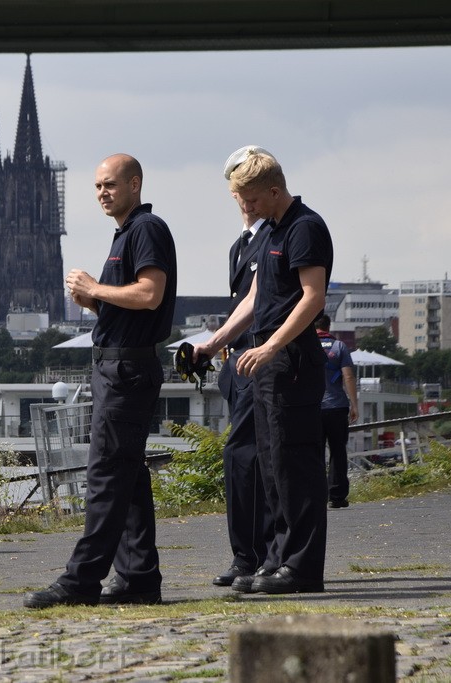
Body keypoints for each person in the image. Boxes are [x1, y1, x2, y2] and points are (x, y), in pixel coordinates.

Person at [24, 153, 177, 608]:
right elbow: (126, 308)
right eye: (96, 187)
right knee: (127, 476)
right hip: (117, 363)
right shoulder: (124, 234)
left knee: (106, 474)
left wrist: (94, 289)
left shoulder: (147, 229)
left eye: (110, 184)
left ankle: (81, 579)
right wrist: (93, 303)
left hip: (126, 368)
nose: (102, 193)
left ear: (135, 183)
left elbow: (150, 295)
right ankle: (138, 576)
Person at [194, 150, 332, 594]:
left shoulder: (304, 227)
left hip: (290, 358)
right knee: (271, 468)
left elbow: (312, 298)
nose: (246, 209)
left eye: (251, 200)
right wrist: (215, 342)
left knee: (295, 466)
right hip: (267, 361)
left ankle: (302, 567)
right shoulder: (271, 229)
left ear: (274, 191)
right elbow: (255, 298)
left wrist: (272, 345)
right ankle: (275, 560)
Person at [211, 146, 275, 588]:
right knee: (243, 459)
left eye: (249, 193)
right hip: (239, 362)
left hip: (259, 357)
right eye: (237, 193)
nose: (243, 202)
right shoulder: (241, 245)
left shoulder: (274, 237)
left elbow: (255, 304)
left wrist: (218, 340)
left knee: (247, 456)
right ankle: (248, 555)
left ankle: (252, 556)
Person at [315, 314, 358, 509]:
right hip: (337, 407)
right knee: (338, 451)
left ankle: (316, 496)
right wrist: (354, 404)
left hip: (312, 408)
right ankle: (337, 496)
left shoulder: (305, 346)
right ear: (328, 326)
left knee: (313, 453)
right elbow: (348, 377)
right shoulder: (339, 347)